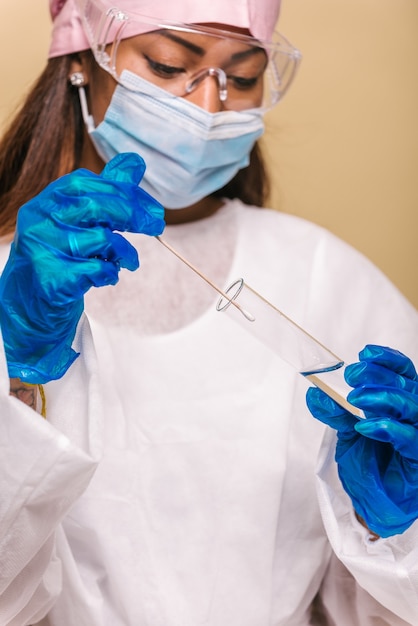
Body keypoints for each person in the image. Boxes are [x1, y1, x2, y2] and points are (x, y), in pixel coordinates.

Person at [0, 0, 417, 624]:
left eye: (243, 76)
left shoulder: (327, 278)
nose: (206, 107)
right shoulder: (20, 278)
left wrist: (387, 528)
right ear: (84, 59)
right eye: (170, 65)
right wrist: (21, 378)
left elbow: (371, 610)